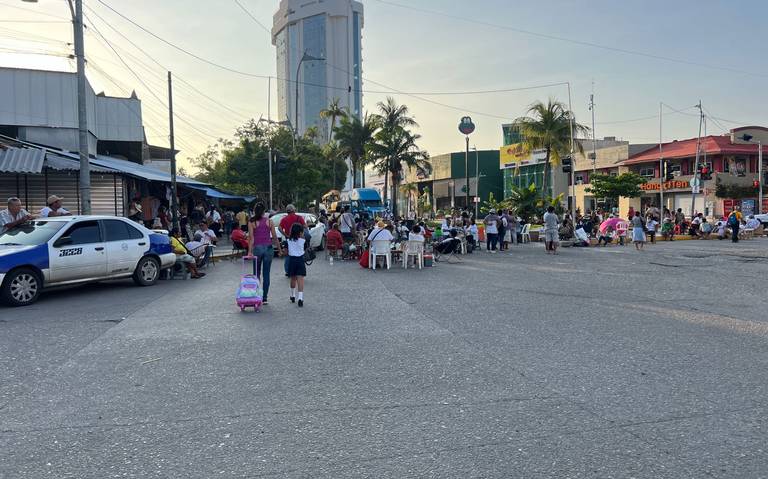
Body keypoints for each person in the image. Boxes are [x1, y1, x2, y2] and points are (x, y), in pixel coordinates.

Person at [248, 202, 282, 305]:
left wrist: (249, 251)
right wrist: (279, 250)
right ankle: (265, 298)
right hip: (268, 249)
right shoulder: (269, 221)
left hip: (257, 249)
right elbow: (275, 237)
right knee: (266, 274)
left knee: (256, 273)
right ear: (264, 211)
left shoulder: (252, 222)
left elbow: (251, 238)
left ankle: (257, 295)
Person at [286, 222, 307, 307]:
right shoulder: (303, 241)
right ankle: (300, 298)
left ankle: (292, 295)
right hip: (300, 260)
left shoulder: (288, 241)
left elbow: (286, 251)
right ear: (300, 232)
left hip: (292, 260)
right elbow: (305, 249)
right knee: (300, 279)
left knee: (293, 279)